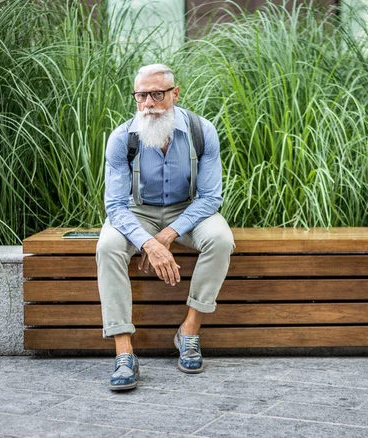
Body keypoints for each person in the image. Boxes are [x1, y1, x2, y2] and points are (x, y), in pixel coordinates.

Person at [96, 64, 235, 391]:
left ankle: (189, 331)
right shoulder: (122, 138)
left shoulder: (202, 131)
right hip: (137, 212)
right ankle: (124, 350)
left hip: (188, 210)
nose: (148, 104)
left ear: (175, 93)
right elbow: (115, 205)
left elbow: (211, 196)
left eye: (157, 95)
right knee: (107, 247)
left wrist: (168, 235)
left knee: (221, 239)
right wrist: (148, 243)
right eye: (141, 96)